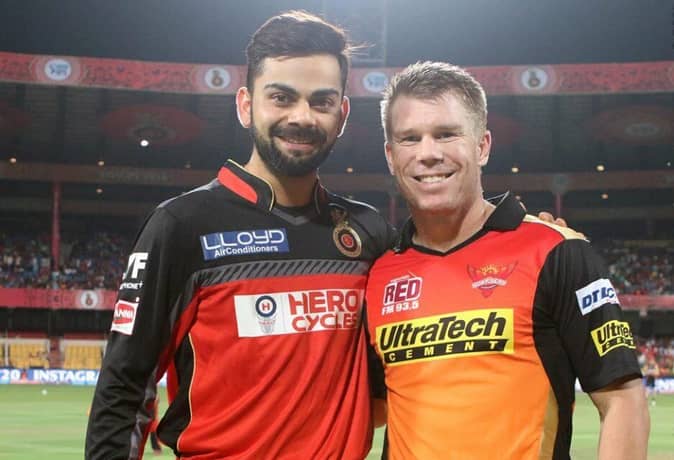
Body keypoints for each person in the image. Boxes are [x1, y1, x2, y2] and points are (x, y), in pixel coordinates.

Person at [85, 11, 395, 459]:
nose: (302, 117)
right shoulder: (182, 225)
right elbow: (123, 387)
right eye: (281, 97)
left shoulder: (369, 233)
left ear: (342, 114)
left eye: (322, 102)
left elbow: (395, 386)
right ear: (246, 105)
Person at [365, 61, 650, 459]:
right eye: (410, 138)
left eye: (446, 134)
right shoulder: (377, 273)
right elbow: (374, 410)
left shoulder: (558, 252)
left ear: (482, 146)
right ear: (390, 155)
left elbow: (622, 399)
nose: (428, 153)